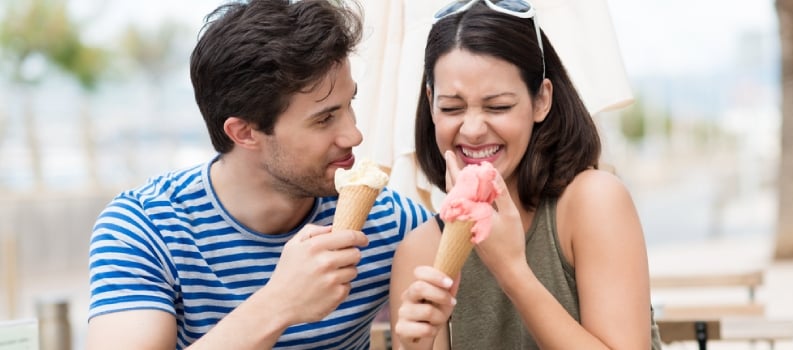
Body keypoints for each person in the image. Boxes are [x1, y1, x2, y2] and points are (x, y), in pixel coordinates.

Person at [86, 0, 431, 348]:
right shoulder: (145, 229)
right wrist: (280, 303)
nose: (354, 135)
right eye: (324, 119)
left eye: (349, 105)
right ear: (245, 133)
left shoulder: (392, 223)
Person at [389, 0, 663, 349]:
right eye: (452, 108)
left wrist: (512, 271)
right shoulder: (421, 250)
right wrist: (415, 344)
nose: (472, 129)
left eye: (498, 106)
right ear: (430, 104)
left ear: (541, 100)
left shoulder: (595, 202)